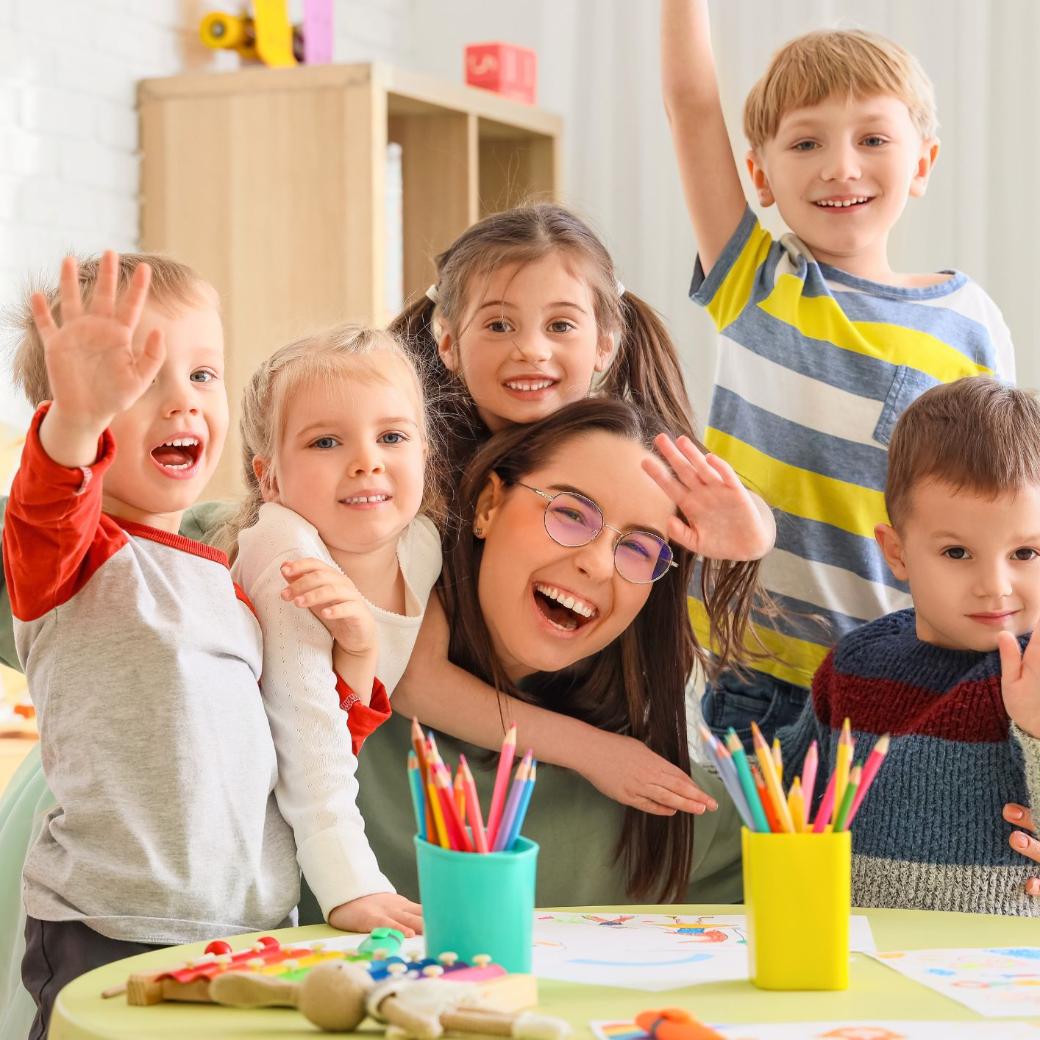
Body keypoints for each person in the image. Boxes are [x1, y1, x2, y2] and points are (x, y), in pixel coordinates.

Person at [661, 1, 1017, 749]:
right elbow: (693, 107)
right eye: (806, 142)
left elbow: (1006, 508)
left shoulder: (970, 322)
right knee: (764, 864)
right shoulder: (756, 283)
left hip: (901, 669)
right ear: (759, 174)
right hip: (752, 671)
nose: (840, 165)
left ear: (921, 163)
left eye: (873, 138)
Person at [386, 201, 776, 812]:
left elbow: (708, 501)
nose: (532, 352)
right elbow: (416, 677)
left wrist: (755, 533)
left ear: (606, 345)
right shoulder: (420, 476)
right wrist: (593, 752)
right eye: (498, 326)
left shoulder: (619, 446)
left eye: (560, 326)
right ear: (447, 343)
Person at [1, 252, 300, 1038]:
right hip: (111, 922)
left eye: (204, 375)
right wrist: (75, 419)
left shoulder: (233, 583)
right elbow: (45, 499)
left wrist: (359, 666)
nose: (183, 403)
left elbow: (287, 742)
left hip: (251, 924)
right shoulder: (69, 554)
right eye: (142, 379)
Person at [358, 398, 758, 904]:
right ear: (488, 506)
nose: (598, 564)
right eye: (570, 513)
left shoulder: (656, 796)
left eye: (638, 548)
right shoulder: (340, 673)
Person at [779, 378, 1040, 915]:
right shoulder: (855, 667)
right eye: (957, 552)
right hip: (860, 959)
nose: (996, 585)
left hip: (1008, 976)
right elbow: (782, 800)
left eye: (1027, 553)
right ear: (896, 553)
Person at [224, 325, 440, 937]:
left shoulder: (423, 544)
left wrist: (360, 649)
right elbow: (307, 735)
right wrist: (352, 885)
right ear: (269, 478)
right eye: (326, 441)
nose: (367, 460)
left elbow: (344, 715)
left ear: (424, 454)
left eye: (392, 436)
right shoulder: (288, 557)